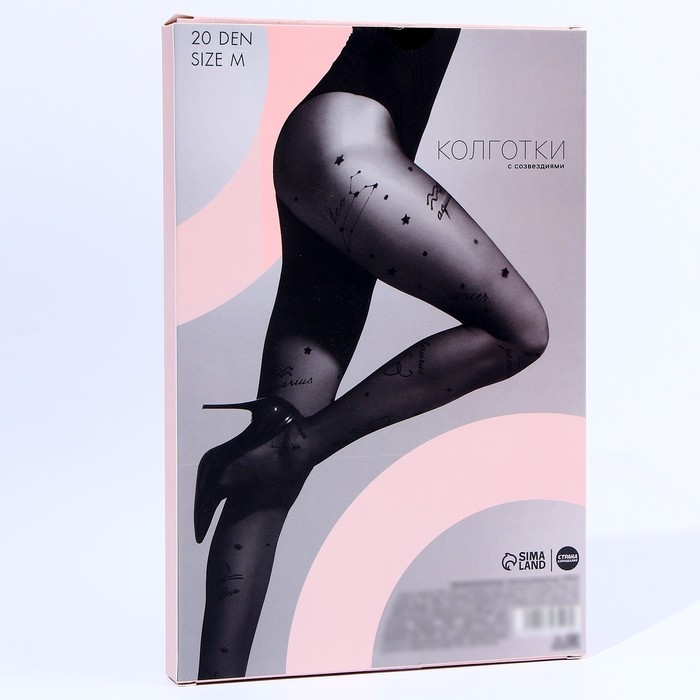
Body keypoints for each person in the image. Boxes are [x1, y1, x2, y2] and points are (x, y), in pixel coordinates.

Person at [194, 27, 548, 680]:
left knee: (266, 482)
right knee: (520, 331)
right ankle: (293, 446)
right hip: (348, 150)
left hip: (334, 150)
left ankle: (217, 681)